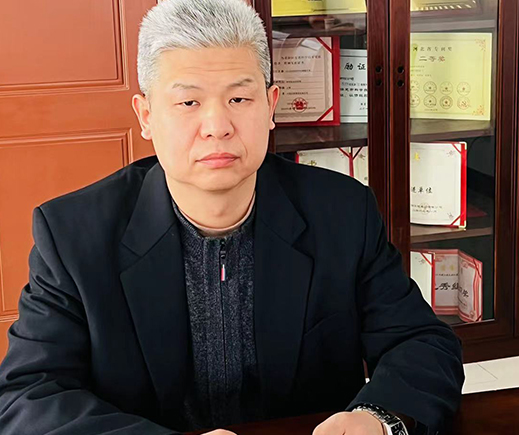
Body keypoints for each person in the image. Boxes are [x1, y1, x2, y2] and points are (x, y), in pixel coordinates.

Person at [0, 0, 464, 434]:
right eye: (188, 103)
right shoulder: (73, 235)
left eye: (239, 100)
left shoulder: (342, 212)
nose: (217, 126)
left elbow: (421, 342)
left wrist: (377, 417)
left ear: (271, 106)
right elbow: (28, 395)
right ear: (146, 115)